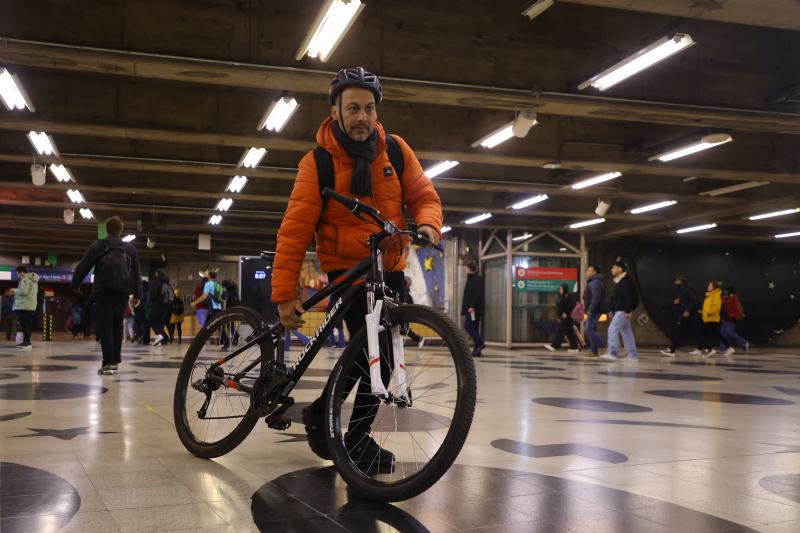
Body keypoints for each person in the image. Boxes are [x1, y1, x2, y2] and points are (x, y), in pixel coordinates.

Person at [272, 67, 442, 465]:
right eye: (353, 108)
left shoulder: (396, 150)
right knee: (372, 351)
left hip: (392, 266)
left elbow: (423, 194)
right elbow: (295, 231)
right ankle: (356, 436)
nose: (362, 117)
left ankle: (323, 416)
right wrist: (284, 295)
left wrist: (428, 224)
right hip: (348, 270)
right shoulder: (317, 163)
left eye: (368, 108)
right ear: (335, 112)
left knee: (376, 352)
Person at [71, 216, 142, 374]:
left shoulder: (98, 246)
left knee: (106, 325)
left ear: (106, 229)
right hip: (123, 291)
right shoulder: (129, 249)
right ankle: (115, 361)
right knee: (117, 325)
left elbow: (83, 266)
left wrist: (75, 284)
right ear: (121, 230)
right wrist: (138, 293)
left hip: (103, 290)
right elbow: (136, 272)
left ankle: (107, 363)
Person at [600, 260, 639, 361]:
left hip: (623, 311)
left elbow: (628, 296)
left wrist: (628, 310)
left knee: (612, 330)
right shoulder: (621, 281)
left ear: (620, 269)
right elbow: (618, 298)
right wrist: (612, 309)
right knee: (626, 333)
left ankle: (613, 353)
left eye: (614, 267)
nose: (611, 269)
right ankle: (632, 355)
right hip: (621, 310)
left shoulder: (625, 281)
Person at [661, 277, 702, 356]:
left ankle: (672, 350)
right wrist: (677, 303)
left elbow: (693, 301)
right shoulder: (681, 290)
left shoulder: (684, 289)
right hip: (682, 314)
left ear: (681, 282)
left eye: (676, 281)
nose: (675, 282)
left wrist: (687, 310)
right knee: (684, 331)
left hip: (684, 314)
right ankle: (702, 347)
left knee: (678, 331)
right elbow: (685, 302)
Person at [190, 269, 228, 348]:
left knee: (207, 326)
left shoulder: (208, 284)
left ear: (209, 276)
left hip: (212, 308)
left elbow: (204, 296)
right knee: (217, 325)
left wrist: (195, 302)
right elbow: (224, 298)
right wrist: (223, 308)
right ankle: (226, 341)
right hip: (219, 308)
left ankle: (200, 341)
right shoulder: (219, 284)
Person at [12, 265, 39, 350]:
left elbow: (23, 292)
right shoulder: (33, 280)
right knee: (27, 324)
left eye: (18, 273)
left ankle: (27, 342)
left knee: (25, 324)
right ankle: (27, 341)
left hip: (24, 305)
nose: (18, 275)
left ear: (21, 272)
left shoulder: (25, 280)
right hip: (29, 305)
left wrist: (14, 290)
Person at [545, 283, 579, 352]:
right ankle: (574, 347)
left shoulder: (568, 296)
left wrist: (566, 313)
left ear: (564, 289)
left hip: (567, 317)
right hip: (565, 317)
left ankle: (554, 345)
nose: (560, 290)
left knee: (560, 331)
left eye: (561, 288)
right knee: (570, 332)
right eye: (560, 288)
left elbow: (571, 306)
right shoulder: (562, 296)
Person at [461, 262, 486, 357]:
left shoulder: (476, 279)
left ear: (469, 268)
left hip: (473, 309)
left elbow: (477, 294)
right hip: (473, 309)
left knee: (467, 326)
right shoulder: (471, 278)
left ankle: (480, 343)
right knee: (474, 327)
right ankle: (476, 351)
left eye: (466, 268)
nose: (465, 269)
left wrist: (472, 306)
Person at [582, 265, 606, 356]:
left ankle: (602, 347)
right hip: (593, 309)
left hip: (594, 310)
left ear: (595, 272)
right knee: (592, 329)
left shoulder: (595, 282)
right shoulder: (594, 282)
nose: (587, 272)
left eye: (589, 270)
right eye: (587, 270)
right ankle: (594, 351)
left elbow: (596, 297)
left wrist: (590, 309)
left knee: (589, 329)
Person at [696, 280, 723, 358]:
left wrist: (709, 313)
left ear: (714, 287)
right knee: (703, 334)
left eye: (710, 285)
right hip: (707, 318)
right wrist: (703, 312)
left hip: (711, 318)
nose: (708, 287)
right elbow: (708, 307)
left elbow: (717, 307)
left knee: (701, 334)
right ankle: (705, 349)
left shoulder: (716, 295)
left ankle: (709, 349)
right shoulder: (710, 295)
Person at [719, 286, 748, 355]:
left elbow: (724, 302)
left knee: (729, 332)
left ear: (731, 293)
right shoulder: (726, 298)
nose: (725, 293)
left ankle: (743, 342)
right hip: (726, 318)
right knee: (722, 332)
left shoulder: (733, 299)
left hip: (733, 318)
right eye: (725, 292)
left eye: (726, 292)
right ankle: (723, 349)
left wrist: (721, 298)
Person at [148, 270, 171, 346]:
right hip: (166, 306)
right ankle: (165, 339)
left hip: (157, 304)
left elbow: (153, 294)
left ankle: (160, 335)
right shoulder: (167, 283)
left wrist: (152, 300)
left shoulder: (156, 282)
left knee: (151, 320)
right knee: (160, 322)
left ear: (157, 274)